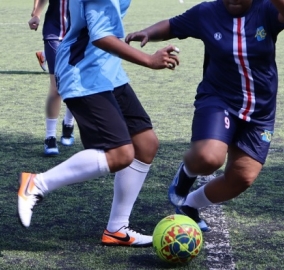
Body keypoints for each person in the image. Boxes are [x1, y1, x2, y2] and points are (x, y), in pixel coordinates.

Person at [125, 0, 284, 232]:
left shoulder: (266, 9)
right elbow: (172, 25)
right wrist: (147, 33)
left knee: (242, 178)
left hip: (260, 110)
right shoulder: (207, 12)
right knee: (208, 158)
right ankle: (185, 174)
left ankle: (190, 205)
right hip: (219, 100)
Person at [18, 0, 179, 247]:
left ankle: (117, 228)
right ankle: (36, 184)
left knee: (146, 144)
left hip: (107, 71)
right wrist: (149, 60)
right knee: (120, 154)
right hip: (82, 72)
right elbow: (101, 36)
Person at [29, 0, 75, 156]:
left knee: (76, 83)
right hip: (54, 33)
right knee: (57, 86)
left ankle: (68, 124)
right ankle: (50, 136)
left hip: (79, 35)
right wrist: (36, 14)